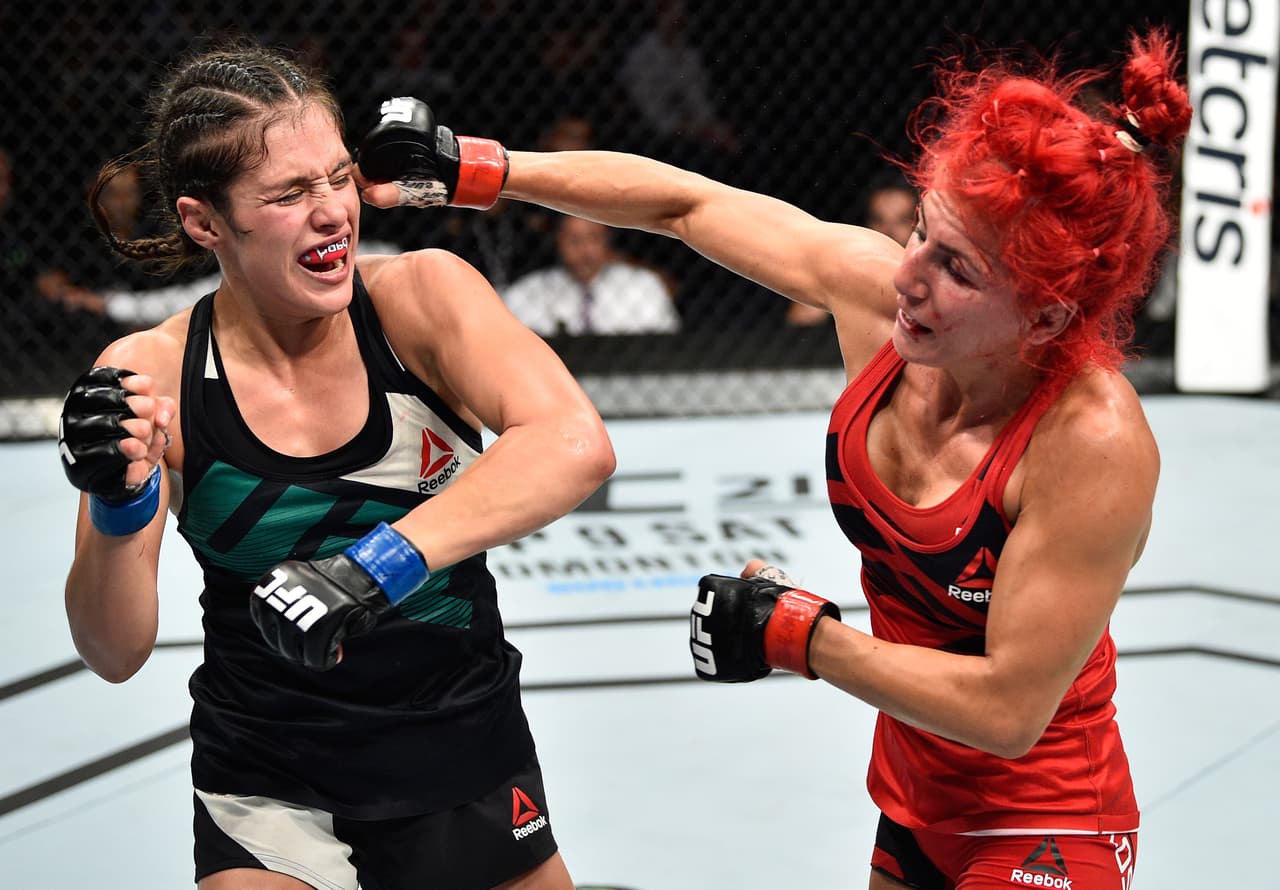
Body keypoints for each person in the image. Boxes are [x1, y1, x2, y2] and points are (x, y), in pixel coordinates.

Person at [355, 27, 1192, 889]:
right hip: (914, 799)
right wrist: (470, 169)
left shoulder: (1089, 440)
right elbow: (686, 206)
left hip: (1048, 820)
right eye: (920, 233)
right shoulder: (878, 298)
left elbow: (1010, 710)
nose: (910, 277)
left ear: (1046, 319)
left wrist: (798, 635)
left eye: (958, 270)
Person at [57, 42, 615, 890]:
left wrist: (371, 569)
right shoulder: (156, 373)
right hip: (269, 776)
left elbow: (576, 443)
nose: (333, 213)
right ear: (205, 222)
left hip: (461, 746)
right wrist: (117, 510)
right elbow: (112, 650)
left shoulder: (420, 297)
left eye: (339, 175)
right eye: (288, 193)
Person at [502, 215, 680, 336]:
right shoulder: (529, 291)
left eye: (594, 238)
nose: (585, 251)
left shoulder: (643, 287)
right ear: (558, 242)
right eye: (575, 240)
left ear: (607, 241)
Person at [787, 172, 918, 326]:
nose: (889, 231)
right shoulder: (842, 270)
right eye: (879, 220)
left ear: (916, 225)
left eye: (901, 221)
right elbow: (801, 319)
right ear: (867, 224)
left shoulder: (929, 280)